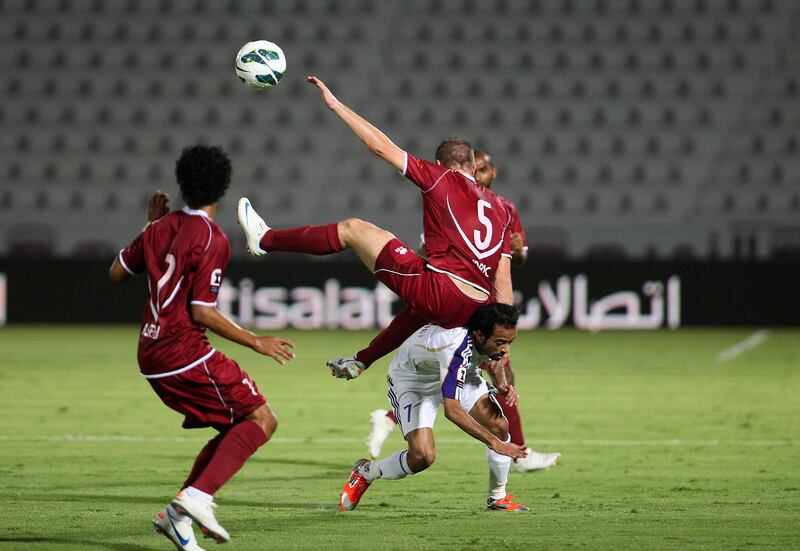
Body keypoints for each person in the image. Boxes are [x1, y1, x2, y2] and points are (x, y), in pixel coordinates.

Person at [237, 75, 515, 382]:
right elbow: (503, 282)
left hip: (441, 289)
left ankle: (265, 239)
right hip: (473, 307)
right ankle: (362, 360)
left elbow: (378, 146)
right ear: (474, 168)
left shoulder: (439, 177)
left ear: (439, 163)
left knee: (354, 229)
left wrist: (335, 105)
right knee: (419, 306)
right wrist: (501, 339)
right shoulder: (502, 208)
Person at [108, 145, 295, 551]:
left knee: (236, 426)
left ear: (183, 183)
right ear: (222, 188)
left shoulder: (158, 228)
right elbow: (203, 311)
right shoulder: (212, 238)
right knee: (263, 420)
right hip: (184, 351)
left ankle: (177, 518)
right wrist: (255, 340)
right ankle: (195, 498)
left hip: (151, 352)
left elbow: (117, 272)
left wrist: (148, 226)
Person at [367, 151, 560, 473]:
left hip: (486, 307)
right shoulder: (451, 201)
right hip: (455, 303)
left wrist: (514, 252)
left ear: (493, 172)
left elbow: (517, 259)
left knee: (490, 374)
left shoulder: (504, 208)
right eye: (477, 168)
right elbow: (426, 253)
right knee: (464, 374)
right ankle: (516, 452)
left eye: (486, 168)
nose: (481, 174)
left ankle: (515, 452)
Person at [340, 303, 530, 512]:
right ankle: (367, 471)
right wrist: (495, 443)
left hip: (456, 371)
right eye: (501, 342)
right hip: (414, 380)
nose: (505, 348)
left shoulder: (485, 333)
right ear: (479, 335)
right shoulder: (454, 347)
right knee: (422, 457)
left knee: (498, 424)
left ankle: (498, 498)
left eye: (510, 342)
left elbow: (497, 360)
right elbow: (452, 410)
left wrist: (501, 383)